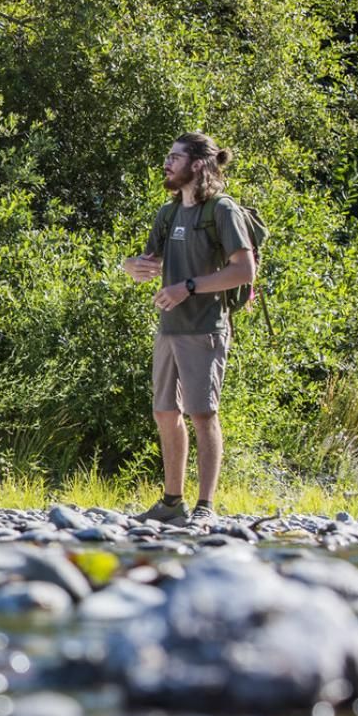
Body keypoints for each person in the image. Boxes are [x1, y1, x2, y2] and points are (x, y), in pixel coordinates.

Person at [121, 132, 256, 526]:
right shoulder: (167, 213)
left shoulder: (221, 210)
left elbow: (244, 270)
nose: (167, 163)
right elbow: (146, 264)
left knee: (202, 414)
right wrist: (134, 267)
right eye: (168, 156)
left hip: (205, 328)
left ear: (198, 164)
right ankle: (171, 502)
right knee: (165, 412)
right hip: (169, 328)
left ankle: (205, 507)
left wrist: (188, 287)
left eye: (175, 157)